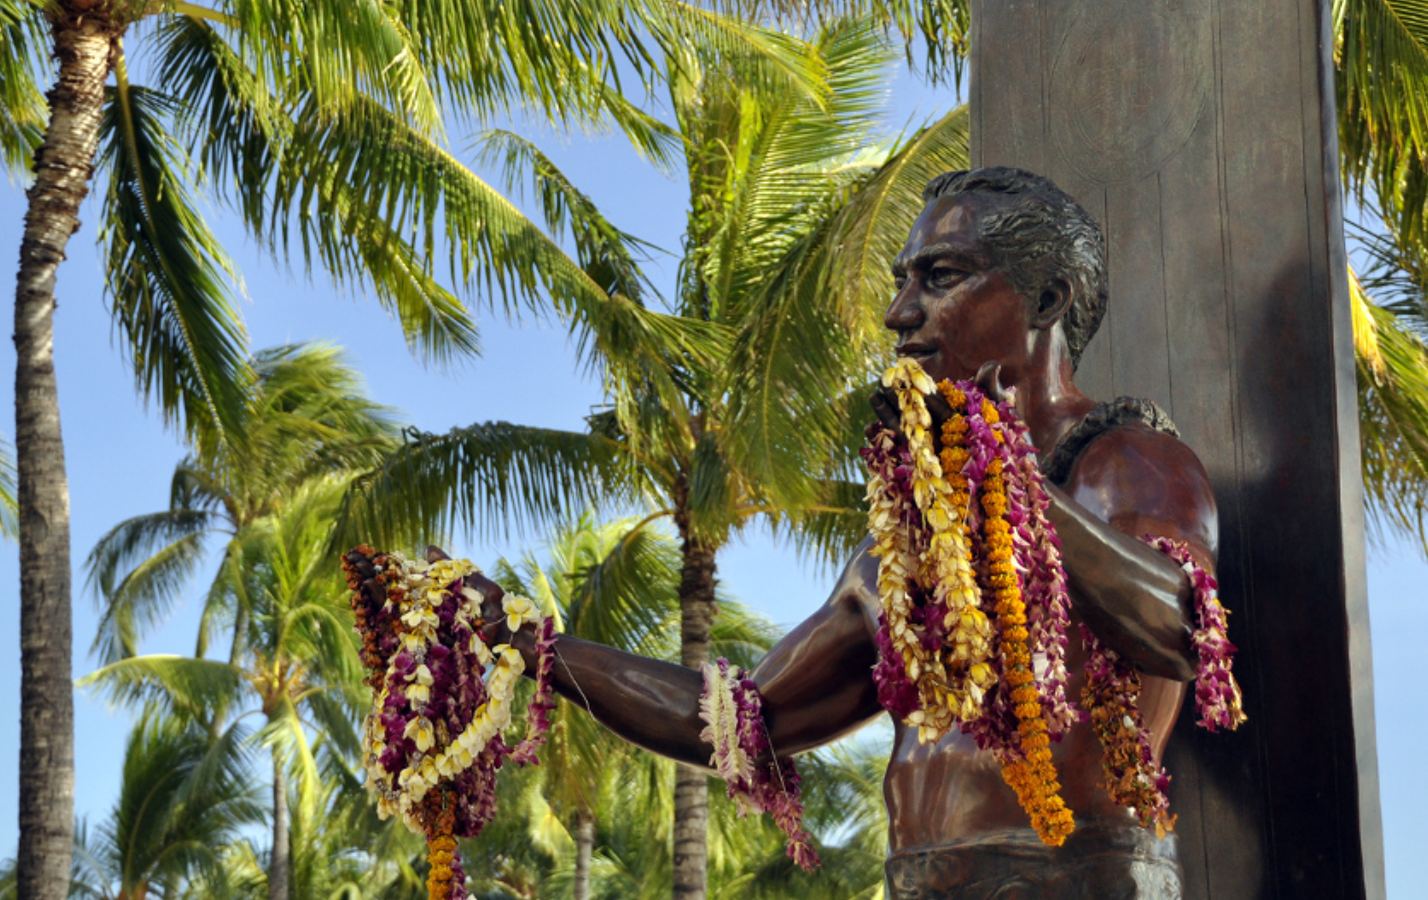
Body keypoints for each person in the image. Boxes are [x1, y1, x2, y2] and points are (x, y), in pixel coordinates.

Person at [481, 167, 1218, 900]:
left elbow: (1182, 629)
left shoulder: (1122, 463)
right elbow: (742, 722)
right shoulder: (898, 550)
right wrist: (529, 642)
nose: (900, 313)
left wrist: (1009, 482)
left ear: (1047, 298)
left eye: (940, 276)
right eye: (903, 282)